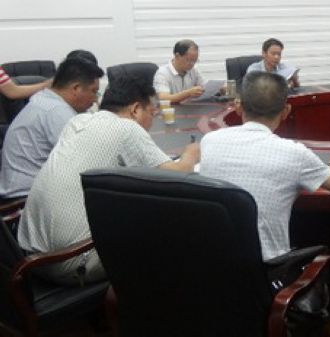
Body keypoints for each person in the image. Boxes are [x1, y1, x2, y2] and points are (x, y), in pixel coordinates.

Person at [17, 76, 200, 285]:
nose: (152, 120)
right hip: (71, 263)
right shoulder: (126, 128)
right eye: (152, 112)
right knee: (175, 228)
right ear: (135, 109)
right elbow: (178, 175)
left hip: (31, 258)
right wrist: (192, 153)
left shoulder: (77, 121)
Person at [200, 72, 330, 260]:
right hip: (267, 271)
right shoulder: (294, 153)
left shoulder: (210, 141)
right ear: (286, 111)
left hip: (211, 265)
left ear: (238, 106)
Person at [0, 57, 104, 200]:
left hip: (28, 193)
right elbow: (89, 162)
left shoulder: (44, 99)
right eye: (94, 91)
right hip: (24, 200)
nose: (95, 99)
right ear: (76, 88)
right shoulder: (57, 112)